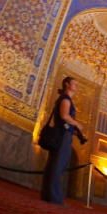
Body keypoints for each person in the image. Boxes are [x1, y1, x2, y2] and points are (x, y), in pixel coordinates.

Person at [41, 76, 85, 205]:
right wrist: (77, 124)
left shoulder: (64, 99)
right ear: (67, 84)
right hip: (62, 136)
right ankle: (56, 198)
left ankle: (47, 196)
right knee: (58, 166)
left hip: (61, 134)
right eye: (74, 83)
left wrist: (74, 130)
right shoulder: (66, 99)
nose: (77, 86)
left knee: (53, 165)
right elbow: (64, 116)